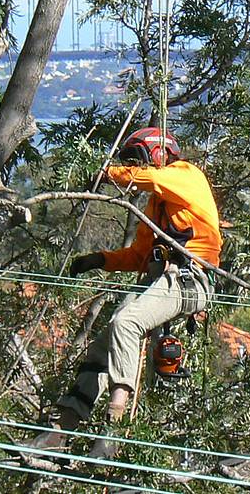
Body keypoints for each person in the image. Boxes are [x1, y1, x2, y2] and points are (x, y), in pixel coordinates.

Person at [39, 127, 222, 457]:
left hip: (190, 279)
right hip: (161, 279)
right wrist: (100, 260)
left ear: (157, 154)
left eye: (138, 160)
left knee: (125, 322)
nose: (136, 167)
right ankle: (61, 429)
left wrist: (108, 172)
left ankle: (115, 423)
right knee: (104, 345)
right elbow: (139, 255)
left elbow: (148, 178)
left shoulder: (185, 175)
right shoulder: (157, 206)